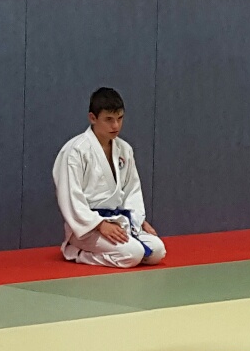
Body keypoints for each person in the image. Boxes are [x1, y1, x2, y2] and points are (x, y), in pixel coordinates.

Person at [53, 87, 166, 268]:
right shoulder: (75, 151)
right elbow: (70, 197)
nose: (116, 126)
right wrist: (99, 224)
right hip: (86, 227)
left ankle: (120, 246)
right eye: (109, 119)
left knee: (157, 251)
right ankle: (77, 252)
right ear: (93, 118)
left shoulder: (124, 149)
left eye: (120, 118)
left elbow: (131, 190)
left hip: (119, 222)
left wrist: (137, 221)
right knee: (133, 255)